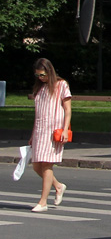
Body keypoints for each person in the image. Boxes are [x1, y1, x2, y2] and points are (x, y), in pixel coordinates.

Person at [28, 58, 71, 212]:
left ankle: (43, 202)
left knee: (47, 165)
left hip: (54, 132)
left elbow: (67, 110)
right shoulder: (39, 89)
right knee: (36, 165)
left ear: (49, 71)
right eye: (38, 75)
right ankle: (58, 186)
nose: (40, 78)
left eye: (43, 75)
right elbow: (37, 114)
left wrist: (65, 129)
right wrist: (33, 134)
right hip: (40, 130)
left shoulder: (61, 85)